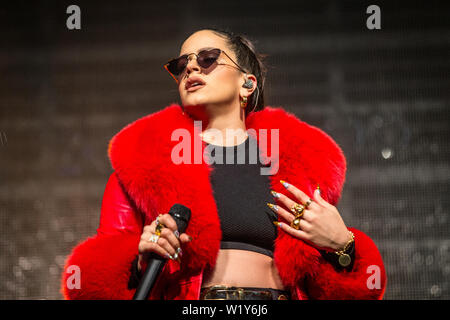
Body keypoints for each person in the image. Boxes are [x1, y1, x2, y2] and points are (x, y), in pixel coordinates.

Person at [62, 28, 386, 300]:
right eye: (181, 65)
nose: (191, 69)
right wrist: (139, 257)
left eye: (207, 59)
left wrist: (343, 246)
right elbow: (94, 281)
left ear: (247, 83)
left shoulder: (303, 166)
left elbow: (337, 289)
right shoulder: (143, 164)